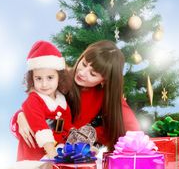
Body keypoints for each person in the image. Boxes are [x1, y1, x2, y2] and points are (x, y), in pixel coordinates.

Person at [0, 40, 73, 169]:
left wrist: (64, 146)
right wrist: (51, 150)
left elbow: (65, 127)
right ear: (31, 78)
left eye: (49, 77)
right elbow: (39, 126)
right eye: (38, 78)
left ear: (59, 77)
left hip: (53, 151)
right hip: (34, 150)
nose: (44, 84)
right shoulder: (33, 100)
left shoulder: (62, 102)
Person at [11, 40, 141, 152]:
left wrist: (94, 133)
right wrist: (20, 116)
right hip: (41, 149)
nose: (82, 73)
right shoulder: (59, 79)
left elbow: (132, 128)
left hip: (68, 151)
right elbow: (34, 104)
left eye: (93, 74)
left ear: (104, 80)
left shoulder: (105, 95)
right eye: (84, 64)